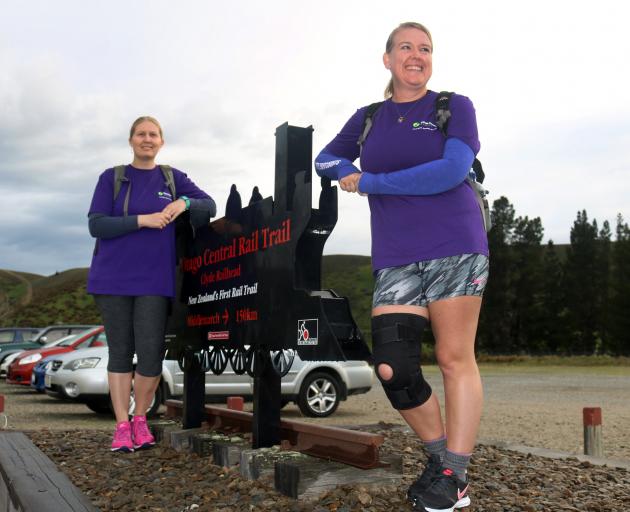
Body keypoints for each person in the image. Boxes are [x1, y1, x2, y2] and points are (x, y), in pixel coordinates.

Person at [314, 22, 488, 512]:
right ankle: (441, 460)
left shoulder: (453, 107)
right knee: (393, 368)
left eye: (425, 49)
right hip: (395, 254)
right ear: (387, 59)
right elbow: (325, 159)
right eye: (406, 47)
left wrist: (368, 182)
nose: (417, 55)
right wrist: (343, 170)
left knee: (455, 359)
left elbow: (451, 171)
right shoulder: (369, 117)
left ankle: (455, 473)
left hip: (455, 243)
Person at [87, 116, 216, 453]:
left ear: (161, 142)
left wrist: (183, 202)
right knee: (119, 352)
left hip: (155, 280)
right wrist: (143, 220)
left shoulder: (172, 178)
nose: (147, 139)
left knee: (150, 354)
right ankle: (120, 425)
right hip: (112, 278)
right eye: (141, 134)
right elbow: (97, 225)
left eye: (153, 134)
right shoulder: (112, 178)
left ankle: (140, 419)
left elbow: (209, 205)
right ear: (131, 140)